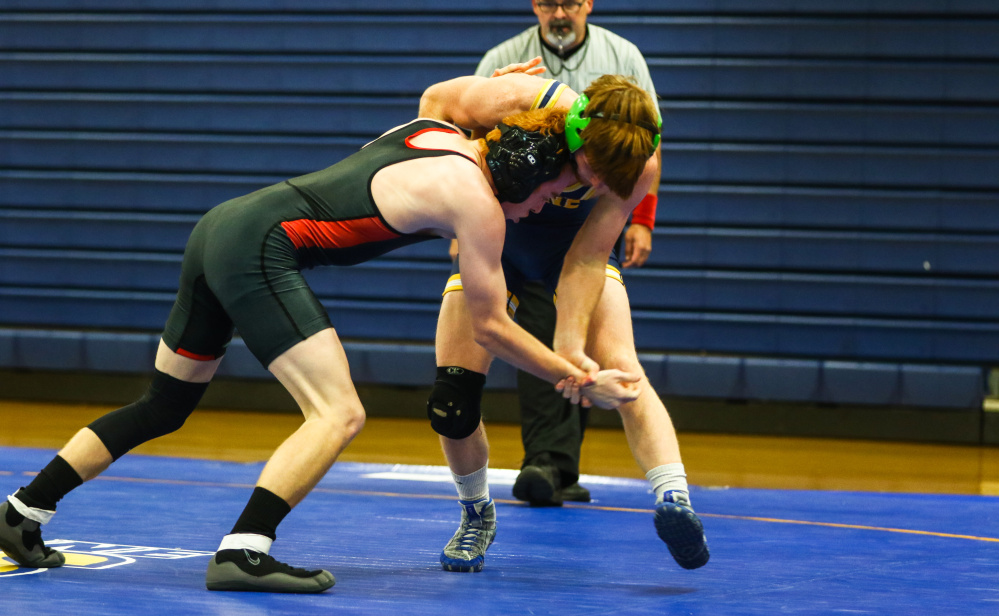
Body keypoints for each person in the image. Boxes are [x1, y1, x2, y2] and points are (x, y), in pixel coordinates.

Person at [0, 105, 644, 593]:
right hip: (261, 247)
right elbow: (490, 329)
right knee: (339, 412)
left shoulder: (436, 129)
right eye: (541, 198)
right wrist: (575, 376)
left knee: (163, 404)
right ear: (517, 176)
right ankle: (243, 550)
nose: (538, 212)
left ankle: (22, 511)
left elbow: (465, 92)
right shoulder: (480, 204)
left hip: (219, 228)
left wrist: (541, 102)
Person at [421, 72, 708, 573]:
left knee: (620, 365)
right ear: (574, 133)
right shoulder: (518, 101)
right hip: (496, 239)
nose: (597, 185)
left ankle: (674, 498)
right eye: (592, 169)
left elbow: (588, 258)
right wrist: (449, 186)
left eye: (609, 179)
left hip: (569, 250)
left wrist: (570, 347)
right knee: (452, 398)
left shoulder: (639, 166)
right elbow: (435, 102)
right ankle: (476, 515)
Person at [470, 0, 663, 507]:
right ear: (535, 5)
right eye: (550, 2)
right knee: (537, 327)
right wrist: (465, 223)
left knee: (584, 335)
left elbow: (647, 152)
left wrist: (641, 220)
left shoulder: (624, 56)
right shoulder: (504, 57)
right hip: (521, 216)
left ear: (588, 5)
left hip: (590, 218)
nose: (560, 12)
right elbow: (473, 135)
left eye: (571, 3)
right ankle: (546, 461)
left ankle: (561, 464)